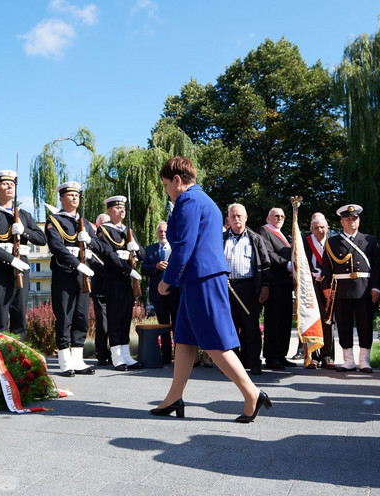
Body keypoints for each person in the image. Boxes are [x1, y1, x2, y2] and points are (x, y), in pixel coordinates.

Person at [150, 156, 271, 423]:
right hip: (200, 278)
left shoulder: (188, 201)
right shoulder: (207, 201)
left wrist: (167, 279)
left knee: (214, 341)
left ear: (178, 180)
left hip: (201, 278)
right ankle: (174, 397)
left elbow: (184, 244)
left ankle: (252, 392)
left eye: (167, 184)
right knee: (183, 338)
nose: (167, 191)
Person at [0, 170, 46, 339]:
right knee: (1, 313)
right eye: (5, 184)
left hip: (21, 267)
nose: (9, 187)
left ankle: (18, 355)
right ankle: (0, 354)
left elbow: (41, 239)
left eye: (12, 184)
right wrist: (10, 260)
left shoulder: (24, 215)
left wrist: (24, 231)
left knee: (20, 312)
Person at [45, 181, 103, 377]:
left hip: (83, 275)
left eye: (77, 195)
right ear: (61, 199)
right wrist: (77, 264)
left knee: (81, 317)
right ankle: (64, 360)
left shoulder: (86, 224)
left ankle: (78, 359)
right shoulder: (55, 221)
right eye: (69, 195)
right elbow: (56, 247)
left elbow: (99, 247)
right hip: (65, 273)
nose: (74, 198)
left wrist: (91, 240)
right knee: (64, 316)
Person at [320, 204, 380, 373]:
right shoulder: (332, 242)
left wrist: (376, 287)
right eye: (347, 219)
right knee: (344, 325)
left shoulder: (370, 240)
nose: (351, 222)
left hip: (364, 288)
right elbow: (326, 267)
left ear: (359, 221)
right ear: (342, 222)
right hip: (341, 289)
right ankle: (348, 360)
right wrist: (326, 287)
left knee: (365, 325)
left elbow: (376, 267)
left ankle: (364, 361)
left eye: (354, 219)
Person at [95, 195, 144, 371]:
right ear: (109, 211)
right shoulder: (103, 230)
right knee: (115, 318)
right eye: (117, 208)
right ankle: (117, 356)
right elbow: (109, 255)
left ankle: (126, 355)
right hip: (114, 278)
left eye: (123, 207)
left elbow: (143, 255)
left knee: (125, 317)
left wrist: (136, 249)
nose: (121, 210)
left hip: (127, 281)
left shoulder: (128, 231)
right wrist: (129, 270)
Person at [223, 204, 271, 374]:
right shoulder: (221, 239)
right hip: (226, 288)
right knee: (229, 328)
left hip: (249, 288)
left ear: (246, 217)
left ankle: (254, 362)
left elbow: (265, 265)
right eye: (233, 216)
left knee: (251, 327)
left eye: (239, 216)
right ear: (228, 219)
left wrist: (265, 286)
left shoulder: (255, 238)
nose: (236, 219)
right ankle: (232, 366)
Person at [258, 208, 297, 370]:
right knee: (274, 320)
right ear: (268, 218)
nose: (279, 218)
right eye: (276, 215)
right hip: (274, 283)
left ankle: (281, 354)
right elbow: (268, 253)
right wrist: (287, 264)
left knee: (285, 320)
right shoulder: (265, 231)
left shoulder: (284, 236)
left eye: (282, 216)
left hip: (286, 283)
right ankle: (271, 356)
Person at [141, 220, 180, 364]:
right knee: (163, 325)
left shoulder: (177, 248)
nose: (162, 234)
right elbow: (144, 269)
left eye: (165, 231)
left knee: (177, 324)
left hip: (175, 292)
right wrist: (156, 266)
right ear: (157, 233)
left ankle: (179, 356)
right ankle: (165, 356)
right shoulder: (150, 249)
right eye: (160, 231)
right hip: (157, 294)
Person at [302, 213, 336, 369]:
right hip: (311, 284)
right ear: (311, 229)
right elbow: (299, 262)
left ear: (327, 228)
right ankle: (314, 356)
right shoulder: (304, 242)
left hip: (328, 284)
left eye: (322, 227)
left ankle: (327, 356)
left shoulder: (334, 242)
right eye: (316, 228)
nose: (319, 230)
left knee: (328, 319)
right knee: (312, 318)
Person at [90, 213, 111, 365]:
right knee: (102, 322)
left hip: (114, 287)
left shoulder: (114, 240)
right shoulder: (92, 243)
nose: (104, 227)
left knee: (115, 321)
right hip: (99, 287)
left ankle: (116, 352)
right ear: (97, 226)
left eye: (107, 224)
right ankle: (102, 353)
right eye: (101, 224)